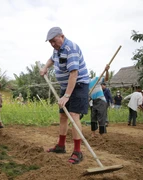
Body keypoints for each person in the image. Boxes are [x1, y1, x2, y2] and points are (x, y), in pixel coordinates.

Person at [40, 27, 90, 164]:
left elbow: (74, 74)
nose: (52, 44)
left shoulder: (70, 48)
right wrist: (45, 67)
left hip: (78, 85)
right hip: (66, 86)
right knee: (62, 115)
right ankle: (61, 146)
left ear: (62, 36)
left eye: (54, 41)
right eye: (50, 42)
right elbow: (52, 59)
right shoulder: (57, 49)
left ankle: (77, 152)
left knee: (74, 115)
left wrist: (67, 96)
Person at [89, 65, 109, 137]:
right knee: (93, 117)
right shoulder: (85, 86)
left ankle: (102, 134)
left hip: (101, 100)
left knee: (101, 118)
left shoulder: (96, 79)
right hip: (94, 102)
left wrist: (106, 71)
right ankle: (93, 133)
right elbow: (89, 97)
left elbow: (106, 79)